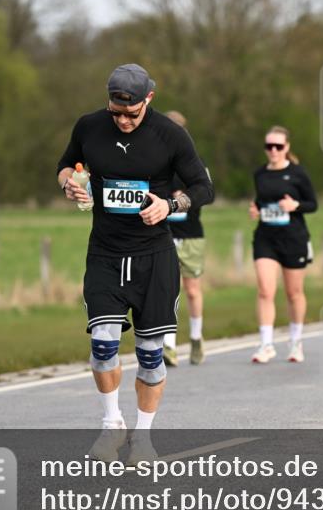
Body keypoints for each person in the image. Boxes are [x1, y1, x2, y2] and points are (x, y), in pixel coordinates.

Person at [58, 64, 214, 463]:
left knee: (149, 353)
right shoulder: (89, 127)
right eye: (117, 113)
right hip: (106, 253)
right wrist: (69, 184)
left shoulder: (170, 134)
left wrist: (170, 204)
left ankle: (143, 437)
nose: (124, 121)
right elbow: (67, 163)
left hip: (154, 256)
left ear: (149, 99)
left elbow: (203, 187)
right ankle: (112, 426)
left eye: (132, 114)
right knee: (103, 343)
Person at [249, 126, 317, 364]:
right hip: (266, 238)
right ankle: (266, 344)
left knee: (294, 292)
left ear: (287, 147)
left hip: (294, 239)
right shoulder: (260, 174)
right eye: (269, 146)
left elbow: (313, 204)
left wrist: (295, 205)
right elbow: (261, 201)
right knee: (265, 290)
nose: (274, 151)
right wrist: (255, 208)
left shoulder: (298, 173)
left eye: (278, 146)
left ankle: (296, 342)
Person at [162, 111, 207, 366]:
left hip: (190, 235)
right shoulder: (155, 161)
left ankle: (196, 338)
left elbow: (206, 192)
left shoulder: (192, 161)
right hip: (164, 235)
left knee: (191, 290)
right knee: (168, 290)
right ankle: (169, 345)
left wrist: (186, 195)